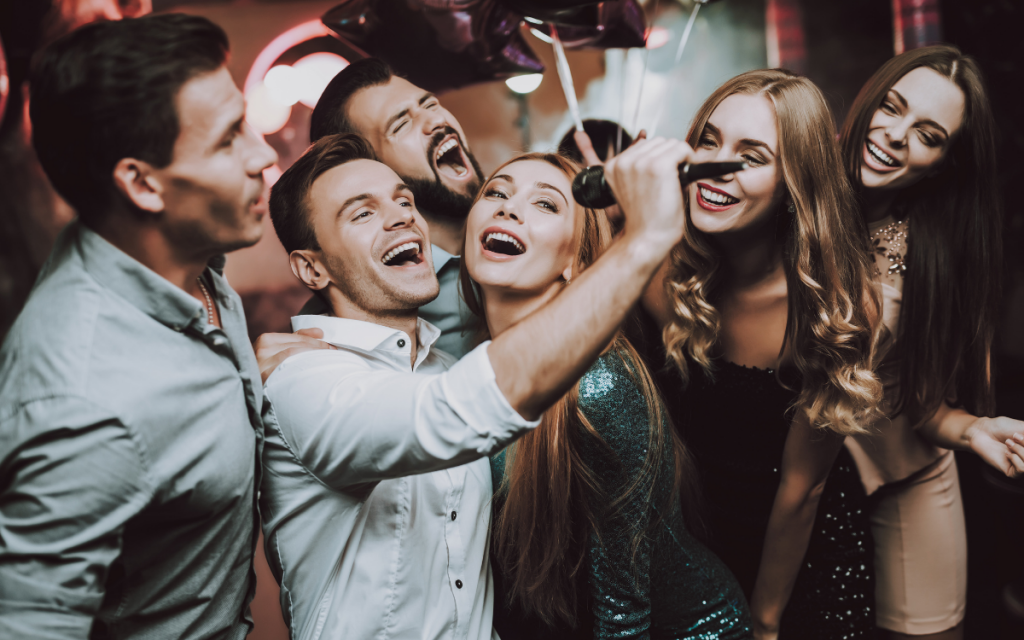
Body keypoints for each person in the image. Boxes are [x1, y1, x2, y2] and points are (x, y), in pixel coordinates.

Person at [256, 132, 695, 640]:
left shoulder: (449, 366)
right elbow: (446, 413)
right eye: (362, 213)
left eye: (404, 200)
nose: (401, 216)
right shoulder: (304, 381)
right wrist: (642, 241)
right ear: (311, 266)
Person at [0, 14, 277, 639]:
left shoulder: (182, 257)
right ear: (141, 183)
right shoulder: (83, 407)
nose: (263, 154)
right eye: (230, 137)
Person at [458, 151, 753, 639]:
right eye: (497, 192)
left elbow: (624, 613)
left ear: (576, 260)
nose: (509, 209)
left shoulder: (600, 388)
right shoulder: (468, 372)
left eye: (546, 205)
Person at [639, 69, 884, 639]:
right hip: (688, 535)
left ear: (794, 182)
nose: (715, 167)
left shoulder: (832, 307)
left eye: (750, 156)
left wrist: (767, 623)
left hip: (793, 551)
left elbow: (804, 488)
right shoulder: (654, 266)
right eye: (708, 141)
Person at [839, 45, 1024, 640]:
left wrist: (970, 429)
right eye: (890, 108)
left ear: (942, 164)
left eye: (927, 134)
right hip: (787, 478)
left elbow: (921, 406)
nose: (894, 135)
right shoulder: (785, 199)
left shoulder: (930, 256)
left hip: (904, 474)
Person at [297, 57, 484, 357]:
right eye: (402, 123)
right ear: (367, 171)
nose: (437, 121)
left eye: (430, 104)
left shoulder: (525, 225)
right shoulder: (341, 314)